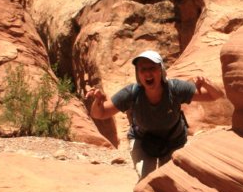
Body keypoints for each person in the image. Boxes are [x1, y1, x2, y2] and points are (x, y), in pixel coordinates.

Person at [85, 49, 223, 179]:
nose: (147, 73)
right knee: (147, 179)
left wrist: (206, 83)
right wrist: (98, 101)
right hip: (143, 141)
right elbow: (99, 114)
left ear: (161, 70)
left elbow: (216, 95)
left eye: (152, 68)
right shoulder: (132, 93)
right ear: (138, 75)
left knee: (168, 179)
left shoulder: (175, 88)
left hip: (173, 141)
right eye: (142, 69)